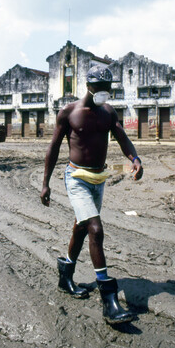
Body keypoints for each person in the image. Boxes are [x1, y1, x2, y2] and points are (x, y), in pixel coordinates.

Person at [40, 65, 143, 325]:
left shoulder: (108, 112)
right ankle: (109, 299)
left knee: (82, 227)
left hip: (99, 178)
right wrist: (45, 183)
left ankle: (65, 275)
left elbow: (122, 138)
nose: (106, 93)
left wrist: (135, 158)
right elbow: (53, 148)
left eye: (110, 89)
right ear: (89, 85)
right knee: (95, 229)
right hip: (76, 177)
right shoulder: (69, 112)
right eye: (102, 88)